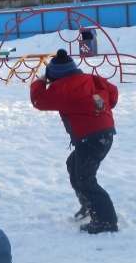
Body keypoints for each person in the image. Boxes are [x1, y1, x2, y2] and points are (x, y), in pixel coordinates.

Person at [30, 48, 119, 234]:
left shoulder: (61, 89)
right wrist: (100, 108)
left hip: (90, 139)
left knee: (85, 179)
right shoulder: (92, 78)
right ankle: (89, 204)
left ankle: (106, 221)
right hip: (104, 134)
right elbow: (113, 92)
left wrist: (39, 81)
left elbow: (39, 101)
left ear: (53, 76)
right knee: (73, 165)